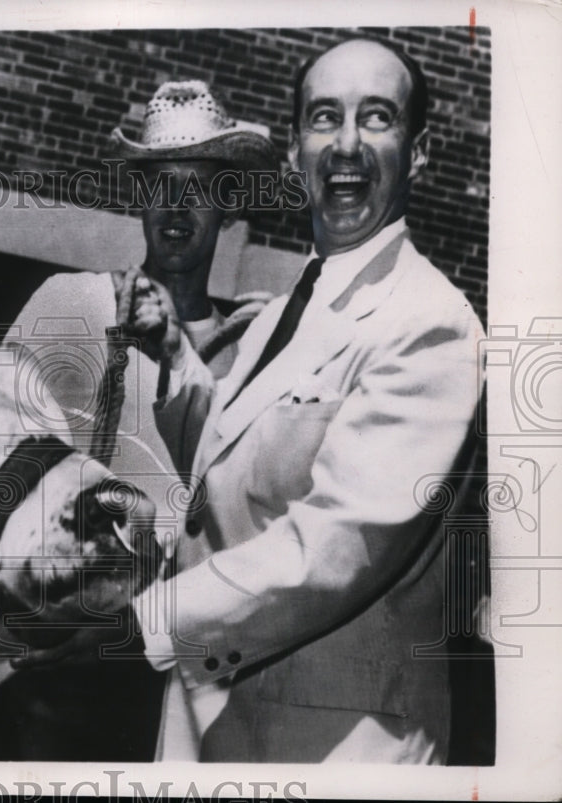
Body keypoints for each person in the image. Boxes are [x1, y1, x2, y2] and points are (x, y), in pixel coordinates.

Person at [119, 38, 485, 762]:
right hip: (220, 722)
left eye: (376, 117)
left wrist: (135, 624)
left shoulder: (431, 322)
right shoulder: (289, 308)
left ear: (418, 152)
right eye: (324, 118)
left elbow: (334, 549)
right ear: (295, 152)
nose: (346, 145)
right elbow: (232, 469)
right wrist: (174, 359)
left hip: (332, 752)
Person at [0, 81, 277, 761]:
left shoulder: (255, 346)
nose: (177, 207)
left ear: (229, 204)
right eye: (160, 185)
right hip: (69, 666)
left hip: (193, 670)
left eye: (199, 188)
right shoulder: (73, 303)